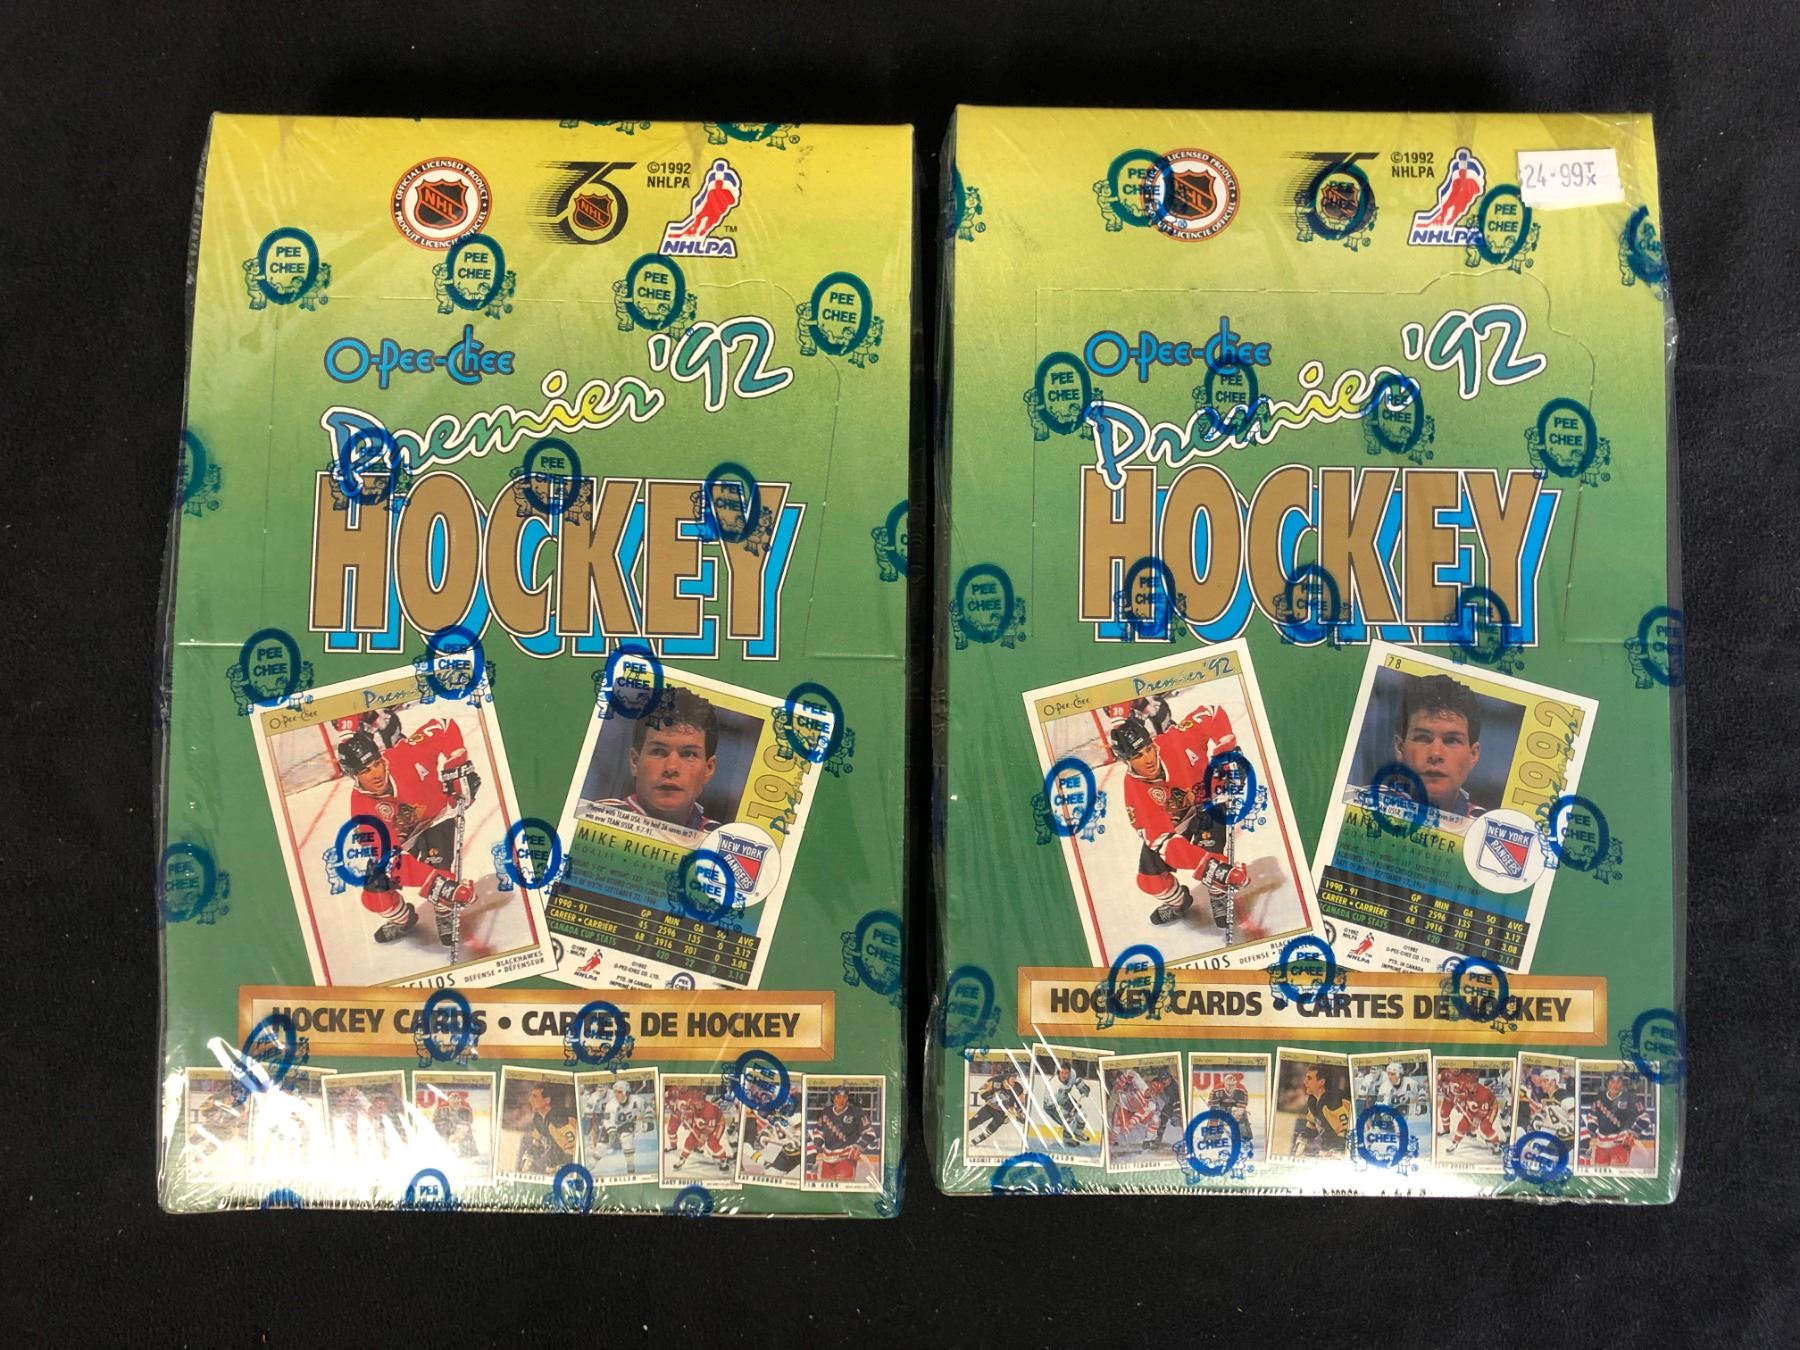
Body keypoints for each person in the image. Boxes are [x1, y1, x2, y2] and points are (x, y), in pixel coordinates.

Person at [338, 718, 480, 948]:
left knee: (441, 869)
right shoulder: (362, 812)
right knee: (375, 896)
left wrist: (456, 767)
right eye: (365, 771)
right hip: (402, 841)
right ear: (353, 776)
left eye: (376, 763)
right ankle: (404, 919)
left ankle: (444, 911)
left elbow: (443, 726)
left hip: (437, 818)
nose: (376, 774)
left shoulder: (405, 755)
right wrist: (437, 885)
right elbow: (391, 862)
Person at [1112, 711, 1249, 929]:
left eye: (1148, 749)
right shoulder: (1135, 794)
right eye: (1138, 756)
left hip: (1210, 802)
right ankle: (1179, 902)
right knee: (1150, 881)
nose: (1149, 759)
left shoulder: (1176, 740)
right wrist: (1211, 867)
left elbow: (1211, 712)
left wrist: (1227, 750)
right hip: (1175, 825)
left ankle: (1218, 894)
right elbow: (1169, 846)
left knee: (1212, 849)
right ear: (1125, 761)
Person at [597, 689, 722, 835]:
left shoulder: (719, 840)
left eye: (689, 754)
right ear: (635, 762)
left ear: (708, 769)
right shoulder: (597, 818)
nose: (671, 768)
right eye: (658, 751)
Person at [1387, 673, 1486, 818]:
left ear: (1473, 755)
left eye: (1452, 740)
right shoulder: (1364, 804)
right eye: (1423, 738)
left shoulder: (1484, 826)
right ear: (1400, 748)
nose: (1435, 754)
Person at [1586, 1070, 1650, 1167]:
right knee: (1600, 1173)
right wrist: (1592, 1130)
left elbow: (1645, 1118)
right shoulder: (1599, 1098)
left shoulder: (1631, 1098)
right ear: (1607, 1083)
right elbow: (1592, 1117)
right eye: (1612, 1082)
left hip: (1620, 1144)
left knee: (1617, 1172)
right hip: (1601, 1145)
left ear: (1622, 1084)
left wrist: (1633, 1132)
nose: (1615, 1085)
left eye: (1618, 1082)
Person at [811, 1086, 873, 1182]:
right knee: (826, 1188)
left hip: (846, 1159)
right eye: (838, 1097)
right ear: (834, 1098)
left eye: (844, 1097)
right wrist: (817, 1142)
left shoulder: (857, 1112)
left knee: (844, 1187)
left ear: (847, 1098)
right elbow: (819, 1131)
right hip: (827, 1159)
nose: (841, 1101)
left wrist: (858, 1147)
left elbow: (870, 1133)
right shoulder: (826, 1112)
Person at [515, 1082, 575, 1176]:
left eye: (535, 1096)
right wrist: (529, 1158)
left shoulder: (559, 1118)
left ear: (547, 1100)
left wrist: (562, 1169)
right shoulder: (538, 1117)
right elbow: (538, 1143)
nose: (530, 1100)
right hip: (551, 1169)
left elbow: (572, 1148)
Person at [1439, 1068, 1503, 1156]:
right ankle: (1455, 1143)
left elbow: (1483, 1111)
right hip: (1475, 1108)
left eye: (1473, 1084)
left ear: (1477, 1083)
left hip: (1490, 1109)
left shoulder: (1483, 1093)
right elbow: (1458, 1095)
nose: (1471, 1086)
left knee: (1485, 1126)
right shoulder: (1465, 1087)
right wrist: (1458, 1100)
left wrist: (1476, 1121)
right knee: (1462, 1124)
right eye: (1469, 1084)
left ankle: (1496, 1144)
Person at [1291, 1064, 1351, 1156]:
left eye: (1309, 1078)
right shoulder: (1313, 1100)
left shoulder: (1331, 1102)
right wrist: (1303, 1139)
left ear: (1321, 1082)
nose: (1304, 1081)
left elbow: (1346, 1132)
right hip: (1332, 1144)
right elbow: (1312, 1124)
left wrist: (1330, 1153)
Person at [670, 1091, 731, 1174]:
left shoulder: (709, 1109)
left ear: (704, 1100)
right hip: (702, 1123)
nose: (698, 1104)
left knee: (712, 1142)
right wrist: (684, 1114)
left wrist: (704, 1136)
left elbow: (710, 1128)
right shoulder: (692, 1103)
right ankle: (682, 1159)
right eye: (697, 1101)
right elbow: (683, 1107)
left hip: (717, 1124)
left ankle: (723, 1160)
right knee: (690, 1140)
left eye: (701, 1101)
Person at [967, 1066, 1026, 1148]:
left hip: (1004, 1113)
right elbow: (982, 1090)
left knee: (991, 1129)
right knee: (974, 1122)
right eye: (1012, 1077)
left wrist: (1016, 1114)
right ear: (1006, 1077)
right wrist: (991, 1098)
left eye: (1015, 1077)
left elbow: (1021, 1104)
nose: (1014, 1079)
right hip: (991, 1107)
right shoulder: (995, 1081)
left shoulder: (1018, 1088)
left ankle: (977, 1140)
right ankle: (960, 1132)